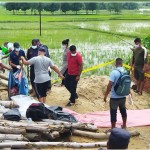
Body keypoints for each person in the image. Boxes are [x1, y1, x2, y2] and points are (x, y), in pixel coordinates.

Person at [104, 58, 127, 130]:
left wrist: (106, 95)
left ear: (115, 63)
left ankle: (113, 128)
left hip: (114, 96)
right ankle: (124, 125)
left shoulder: (113, 72)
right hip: (123, 95)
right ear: (122, 63)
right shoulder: (125, 71)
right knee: (123, 110)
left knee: (113, 112)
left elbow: (110, 84)